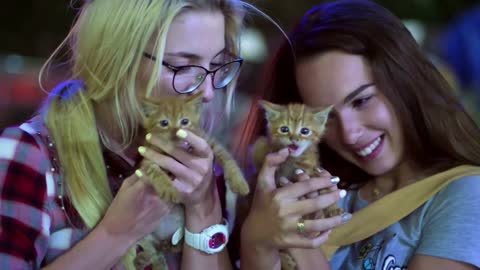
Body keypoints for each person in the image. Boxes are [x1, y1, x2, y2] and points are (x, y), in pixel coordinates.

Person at [0, 0, 259, 269]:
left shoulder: (197, 163)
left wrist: (203, 209)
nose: (207, 93)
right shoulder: (28, 155)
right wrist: (115, 235)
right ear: (115, 58)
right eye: (181, 66)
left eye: (218, 66)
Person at [238, 0, 480, 269]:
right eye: (326, 116)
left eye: (362, 100)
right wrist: (255, 242)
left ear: (405, 81)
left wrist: (295, 239)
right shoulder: (323, 188)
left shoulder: (465, 196)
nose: (350, 134)